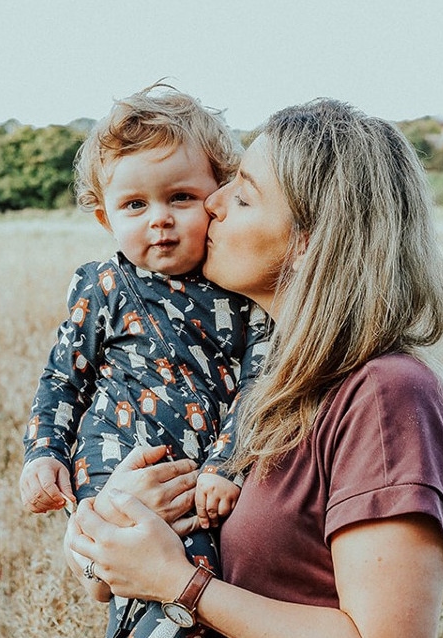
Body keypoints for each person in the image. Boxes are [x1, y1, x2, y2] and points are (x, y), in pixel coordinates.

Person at [65, 98, 443, 638]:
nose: (213, 203)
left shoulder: (385, 394)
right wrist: (101, 528)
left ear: (307, 242)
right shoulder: (250, 376)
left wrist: (180, 585)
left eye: (244, 195)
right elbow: (111, 578)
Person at [20, 84, 266, 638]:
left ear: (218, 196)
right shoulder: (104, 285)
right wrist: (42, 452)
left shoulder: (239, 291)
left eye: (180, 197)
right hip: (115, 460)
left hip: (200, 472)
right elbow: (63, 377)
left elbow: (258, 383)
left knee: (187, 581)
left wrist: (226, 462)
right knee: (142, 575)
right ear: (106, 218)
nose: (160, 219)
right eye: (136, 205)